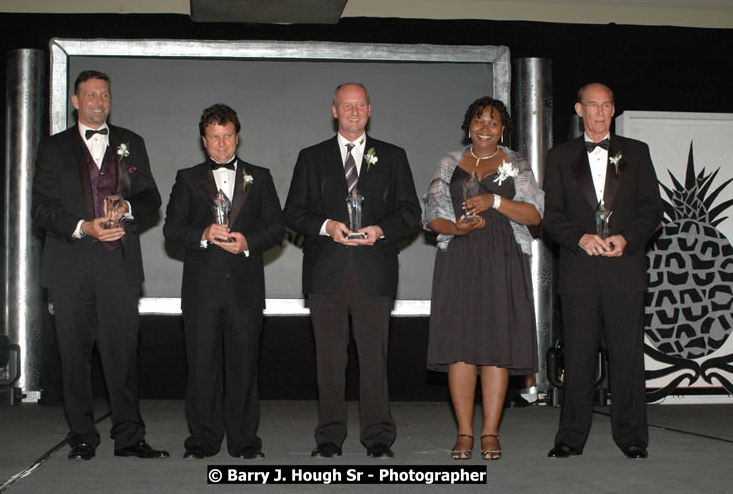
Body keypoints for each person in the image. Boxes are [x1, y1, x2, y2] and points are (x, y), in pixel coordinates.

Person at [31, 70, 167, 460]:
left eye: (104, 95)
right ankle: (82, 437)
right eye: (90, 95)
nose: (98, 102)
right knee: (74, 356)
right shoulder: (53, 148)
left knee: (122, 353)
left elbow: (151, 198)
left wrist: (127, 207)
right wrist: (83, 227)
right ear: (75, 102)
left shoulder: (131, 142)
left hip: (119, 266)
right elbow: (41, 209)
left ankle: (129, 437)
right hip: (70, 266)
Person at [284, 83, 421, 459]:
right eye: (347, 106)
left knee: (374, 360)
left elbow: (411, 212)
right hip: (325, 274)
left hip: (373, 272)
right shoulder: (311, 158)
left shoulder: (393, 156)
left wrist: (380, 230)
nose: (354, 111)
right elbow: (292, 212)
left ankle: (378, 437)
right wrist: (327, 226)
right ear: (334, 111)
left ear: (370, 110)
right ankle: (329, 437)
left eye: (360, 105)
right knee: (329, 361)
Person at [543, 83, 663, 459]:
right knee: (577, 359)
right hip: (579, 273)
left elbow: (652, 210)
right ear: (579, 109)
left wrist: (627, 238)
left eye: (606, 105)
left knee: (627, 359)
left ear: (614, 110)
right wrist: (579, 238)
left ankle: (632, 438)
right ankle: (570, 438)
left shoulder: (637, 152)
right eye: (592, 105)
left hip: (624, 271)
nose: (600, 112)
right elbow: (552, 216)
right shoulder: (560, 156)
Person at [423, 96, 543, 460]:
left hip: (503, 257)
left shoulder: (516, 163)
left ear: (503, 128)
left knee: (496, 345)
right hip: (459, 257)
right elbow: (431, 215)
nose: (485, 128)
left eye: (493, 122)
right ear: (468, 125)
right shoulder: (449, 162)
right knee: (460, 346)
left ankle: (490, 432)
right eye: (479, 121)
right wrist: (456, 230)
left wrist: (493, 202)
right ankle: (464, 432)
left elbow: (534, 214)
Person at [163, 104, 284, 460]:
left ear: (237, 136)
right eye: (214, 137)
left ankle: (245, 442)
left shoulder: (259, 176)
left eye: (227, 135)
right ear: (204, 141)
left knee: (244, 368)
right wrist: (202, 232)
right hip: (202, 290)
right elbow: (171, 229)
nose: (221, 144)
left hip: (245, 289)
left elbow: (277, 227)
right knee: (201, 368)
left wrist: (249, 241)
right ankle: (202, 440)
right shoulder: (187, 177)